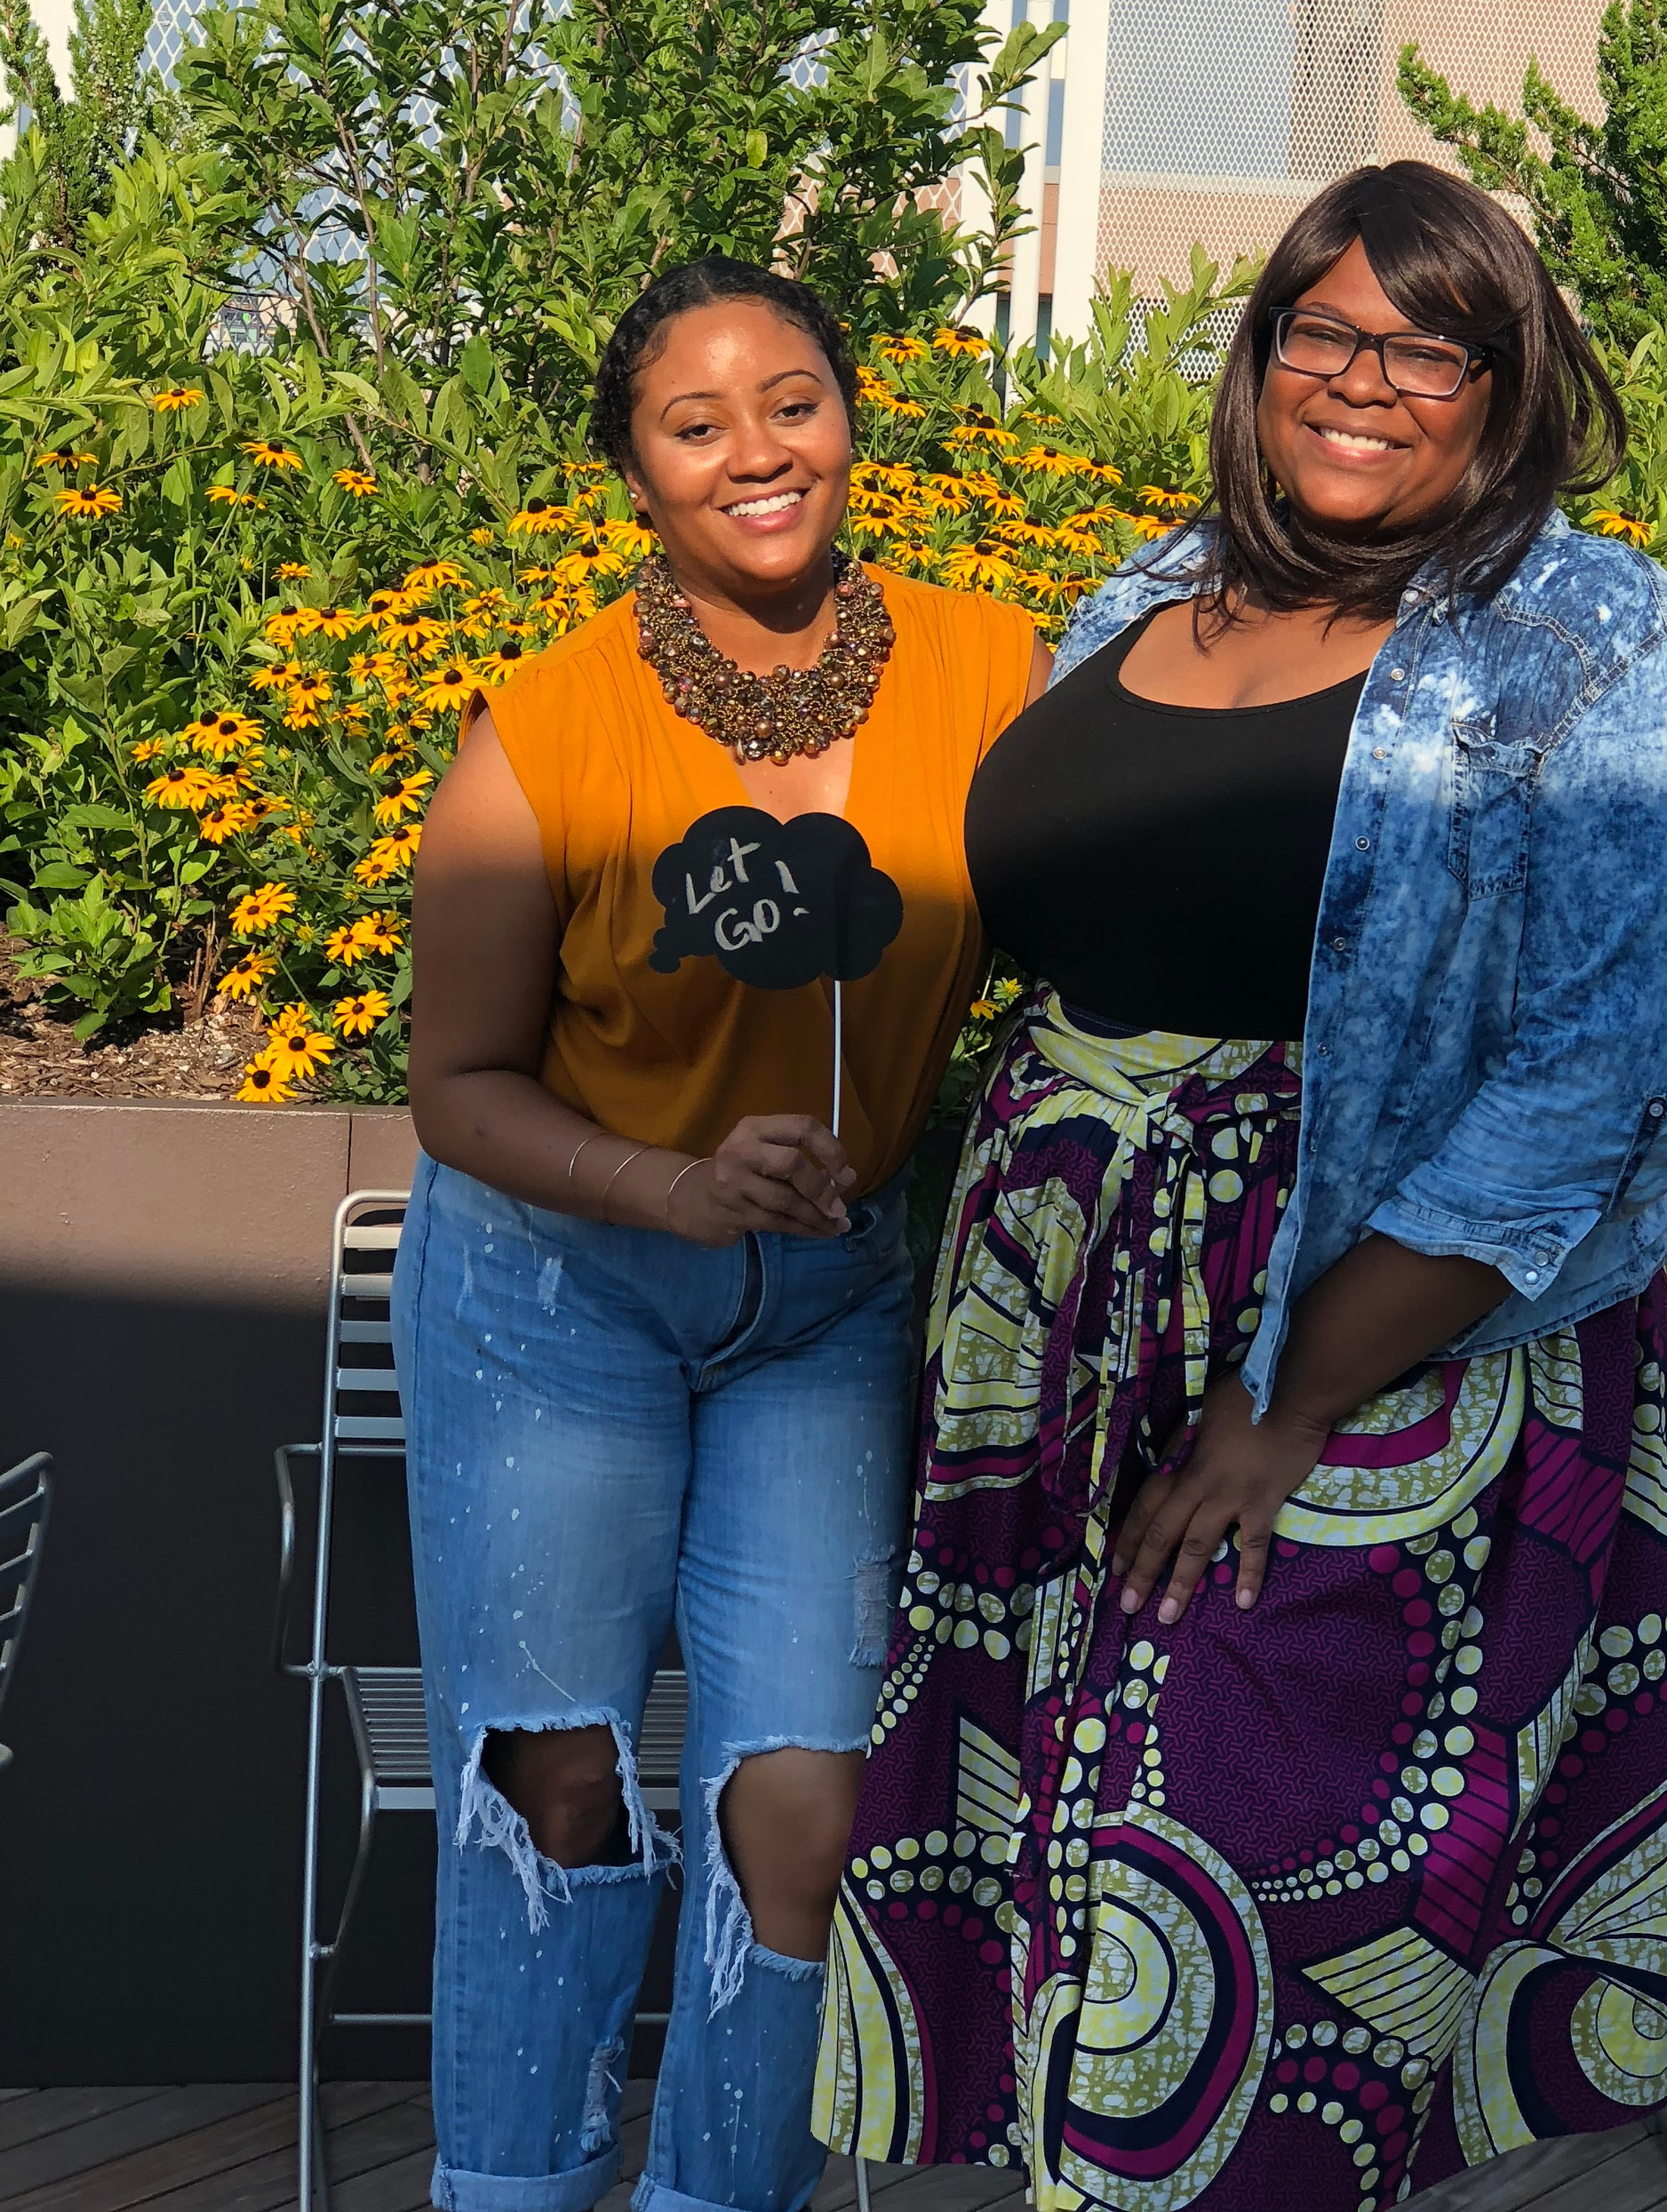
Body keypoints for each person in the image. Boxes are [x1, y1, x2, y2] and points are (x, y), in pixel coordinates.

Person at [815, 162, 1667, 2207]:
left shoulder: (1593, 636)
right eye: (1321, 330)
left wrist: (1290, 1391)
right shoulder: (1143, 592)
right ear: (1257, 355)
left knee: (1251, 1939)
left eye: (1427, 346)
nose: (1360, 379)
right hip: (1054, 1347)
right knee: (1070, 1911)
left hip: (1360, 1352)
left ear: (1508, 384)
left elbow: (1602, 1068)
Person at [398, 256, 1046, 2212]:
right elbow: (457, 1085)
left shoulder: (994, 671)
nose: (757, 451)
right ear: (636, 473)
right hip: (556, 1292)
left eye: (792, 400)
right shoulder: (544, 729)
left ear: (849, 415)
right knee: (558, 1784)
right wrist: (674, 1183)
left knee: (810, 1808)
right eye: (696, 424)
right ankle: (512, 2185)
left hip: (826, 1309)